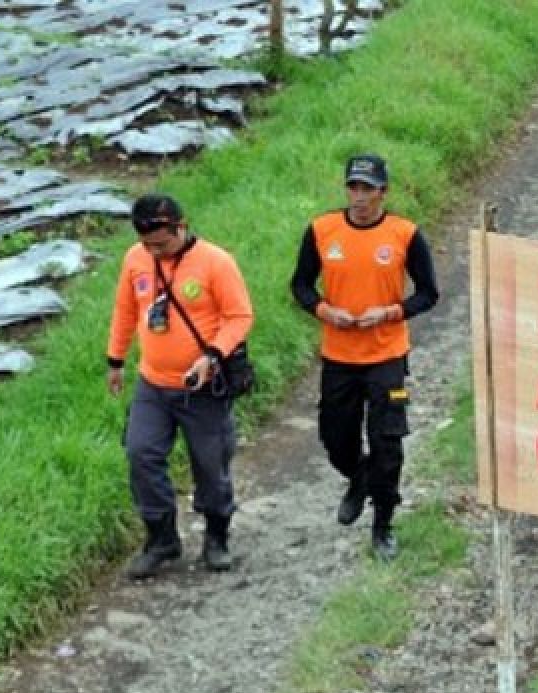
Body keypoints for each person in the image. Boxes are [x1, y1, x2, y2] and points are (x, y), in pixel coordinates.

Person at [290, 154, 439, 560]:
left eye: (367, 189)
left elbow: (428, 293)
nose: (359, 197)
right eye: (353, 187)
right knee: (335, 437)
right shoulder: (323, 230)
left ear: (382, 192)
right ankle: (358, 475)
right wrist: (324, 310)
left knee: (387, 440)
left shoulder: (404, 234)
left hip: (386, 354)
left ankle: (383, 523)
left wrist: (389, 312)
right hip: (339, 354)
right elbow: (301, 284)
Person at [107, 194, 254, 578]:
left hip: (202, 387)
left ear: (180, 227)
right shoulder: (135, 260)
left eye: (162, 244)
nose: (154, 252)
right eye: (147, 245)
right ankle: (161, 539)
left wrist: (213, 355)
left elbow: (239, 317)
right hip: (152, 384)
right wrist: (116, 360)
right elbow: (125, 310)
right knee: (141, 453)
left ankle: (216, 537)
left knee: (210, 465)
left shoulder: (215, 263)